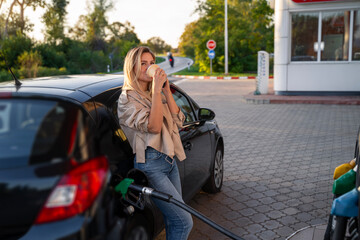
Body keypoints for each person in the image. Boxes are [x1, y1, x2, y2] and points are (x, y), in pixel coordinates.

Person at [117, 46, 193, 240]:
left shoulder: (154, 94)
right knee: (184, 221)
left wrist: (166, 91)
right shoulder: (127, 99)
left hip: (169, 160)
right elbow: (154, 127)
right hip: (151, 165)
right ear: (132, 67)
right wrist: (157, 91)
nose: (149, 67)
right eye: (143, 63)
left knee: (173, 219)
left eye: (151, 63)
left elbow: (179, 120)